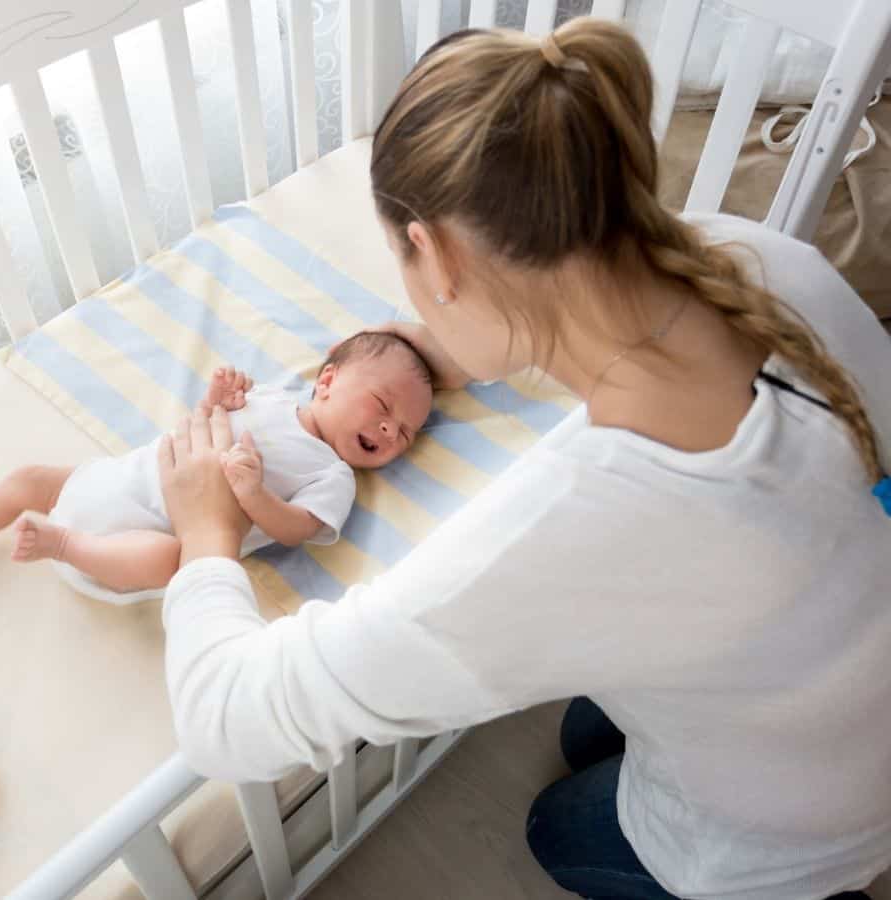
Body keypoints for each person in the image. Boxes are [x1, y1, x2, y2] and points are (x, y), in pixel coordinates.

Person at [154, 17, 891, 900]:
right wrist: (434, 342)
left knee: (553, 823)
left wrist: (205, 532)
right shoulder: (759, 259)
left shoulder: (569, 529)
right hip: (838, 679)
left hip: (795, 836)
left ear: (432, 251)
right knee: (586, 732)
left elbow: (222, 719)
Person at [0, 332, 432, 603]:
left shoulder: (334, 477)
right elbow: (202, 424)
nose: (389, 432)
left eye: (403, 433)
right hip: (121, 478)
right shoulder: (274, 396)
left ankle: (63, 545)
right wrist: (216, 397)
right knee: (30, 479)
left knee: (174, 562)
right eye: (383, 408)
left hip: (137, 542)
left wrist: (255, 495)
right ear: (328, 380)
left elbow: (298, 530)